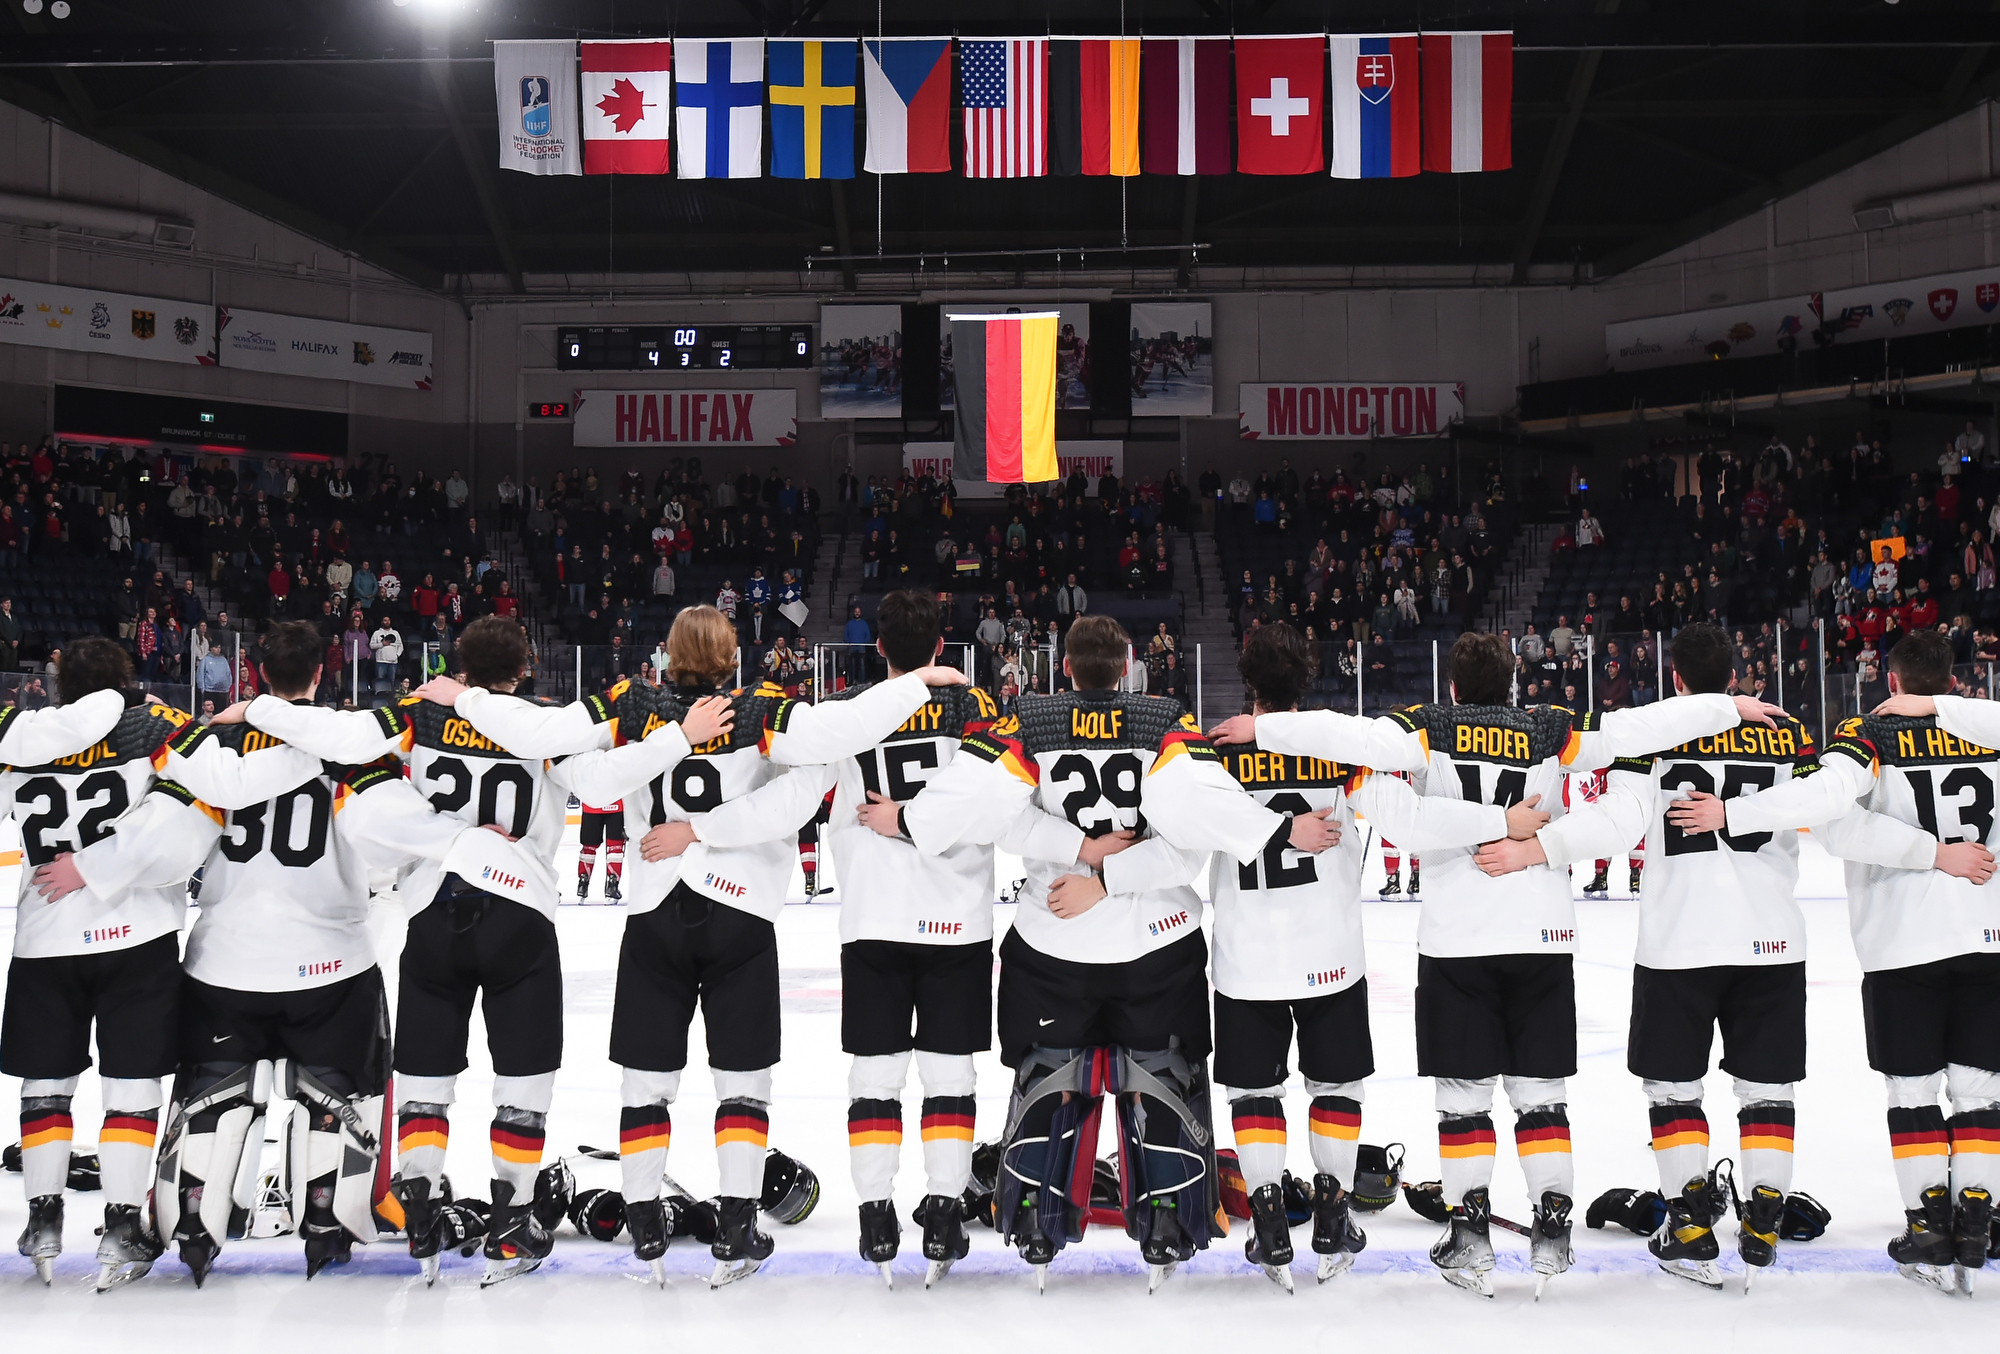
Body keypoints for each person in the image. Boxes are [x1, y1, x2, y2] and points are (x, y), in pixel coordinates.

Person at [1209, 632, 1784, 1296]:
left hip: (1456, 939)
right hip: (1542, 934)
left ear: (1452, 687)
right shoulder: (1552, 728)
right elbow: (1635, 728)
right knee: (1541, 1095)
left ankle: (1471, 1233)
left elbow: (1366, 753)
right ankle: (1552, 1222)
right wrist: (1723, 707)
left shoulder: (1427, 726)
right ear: (1513, 684)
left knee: (1463, 1100)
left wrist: (1268, 728)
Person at [429, 606, 974, 1286]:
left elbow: (584, 775)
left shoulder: (634, 702)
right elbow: (826, 758)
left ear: (668, 652)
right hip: (739, 907)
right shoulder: (764, 707)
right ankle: (739, 1222)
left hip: (656, 906)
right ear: (732, 651)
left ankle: (646, 1221)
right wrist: (918, 681)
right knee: (742, 1083)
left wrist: (470, 698)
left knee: (645, 1081)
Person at [43, 622, 545, 1285]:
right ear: (321, 674)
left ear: (253, 676)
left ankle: (192, 1219)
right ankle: (328, 1221)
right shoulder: (351, 744)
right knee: (341, 1102)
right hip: (332, 965)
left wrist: (96, 866)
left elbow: (167, 848)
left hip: (224, 963)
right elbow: (387, 840)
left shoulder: (214, 745)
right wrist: (467, 843)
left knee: (209, 1105)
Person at [235, 616, 727, 1285]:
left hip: (434, 909)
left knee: (426, 1080)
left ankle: (419, 1207)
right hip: (519, 913)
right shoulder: (544, 726)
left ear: (457, 668)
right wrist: (677, 739)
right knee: (522, 1082)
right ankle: (514, 1217)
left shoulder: (420, 713)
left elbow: (344, 738)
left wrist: (261, 707)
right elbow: (606, 785)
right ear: (524, 669)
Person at [1476, 622, 1949, 1289]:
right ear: (1736, 676)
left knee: (1673, 1089)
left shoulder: (1655, 733)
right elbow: (1833, 810)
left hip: (1680, 941)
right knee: (1767, 1090)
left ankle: (1691, 1222)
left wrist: (1538, 849)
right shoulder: (1788, 733)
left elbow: (1620, 821)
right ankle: (1762, 1216)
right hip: (1773, 938)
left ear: (1675, 680)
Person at [896, 615, 1335, 1290]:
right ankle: (1167, 1216)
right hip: (1155, 944)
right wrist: (1118, 872)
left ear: (1064, 668)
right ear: (1129, 664)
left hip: (1052, 944)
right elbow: (1194, 838)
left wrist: (1081, 855)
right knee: (1164, 1078)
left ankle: (1038, 1216)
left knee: (1049, 1079)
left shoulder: (1029, 720)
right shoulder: (1163, 719)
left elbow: (991, 814)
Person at [1202, 625, 1546, 1288]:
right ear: (1306, 683)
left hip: (1245, 956)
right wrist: (1498, 822)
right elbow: (1412, 824)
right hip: (1330, 954)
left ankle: (1271, 1217)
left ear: (1249, 683)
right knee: (1334, 1086)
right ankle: (1332, 1214)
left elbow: (1187, 830)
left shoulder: (1214, 754)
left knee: (1254, 1090)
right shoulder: (1336, 756)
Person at [1674, 631, 2000, 1294]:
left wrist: (1731, 811)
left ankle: (1929, 1228)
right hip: (1987, 934)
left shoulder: (1867, 733)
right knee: (1980, 1092)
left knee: (1912, 1093)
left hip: (1904, 942)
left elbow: (1828, 812)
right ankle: (1975, 1224)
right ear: (1957, 681)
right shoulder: (1989, 728)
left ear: (1890, 679)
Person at [2, 637, 329, 1290]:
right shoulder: (155, 727)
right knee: (132, 1088)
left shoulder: (18, 736)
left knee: (45, 1088)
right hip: (137, 933)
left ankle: (43, 1217)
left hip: (42, 936)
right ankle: (123, 1223)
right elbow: (212, 800)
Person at [577, 798, 626, 901]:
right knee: (615, 847)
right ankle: (612, 885)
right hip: (616, 804)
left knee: (589, 846)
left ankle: (583, 882)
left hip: (591, 804)